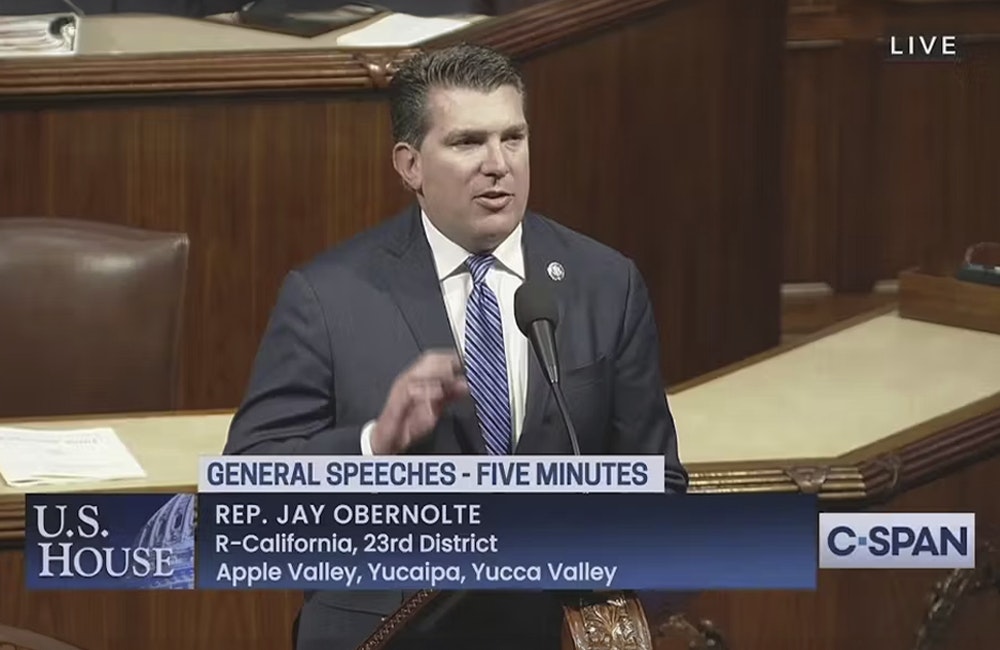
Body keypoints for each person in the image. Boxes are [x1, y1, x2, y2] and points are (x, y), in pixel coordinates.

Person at [223, 43, 687, 650]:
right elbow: (247, 492)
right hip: (390, 633)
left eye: (513, 139)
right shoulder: (327, 296)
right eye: (468, 142)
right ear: (410, 164)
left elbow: (658, 482)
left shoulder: (605, 282)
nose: (498, 164)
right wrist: (373, 446)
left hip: (557, 630)